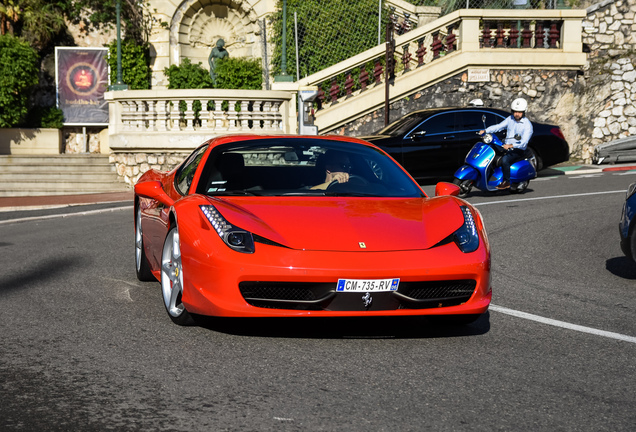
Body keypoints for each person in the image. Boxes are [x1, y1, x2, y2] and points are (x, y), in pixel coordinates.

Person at [479, 97, 533, 190]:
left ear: (524, 112)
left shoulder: (527, 125)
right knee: (490, 150)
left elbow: (524, 142)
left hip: (518, 149)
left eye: (519, 112)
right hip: (505, 146)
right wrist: (486, 130)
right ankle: (490, 175)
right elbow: (499, 126)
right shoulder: (510, 119)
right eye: (515, 111)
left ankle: (506, 181)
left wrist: (512, 145)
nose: (517, 114)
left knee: (505, 160)